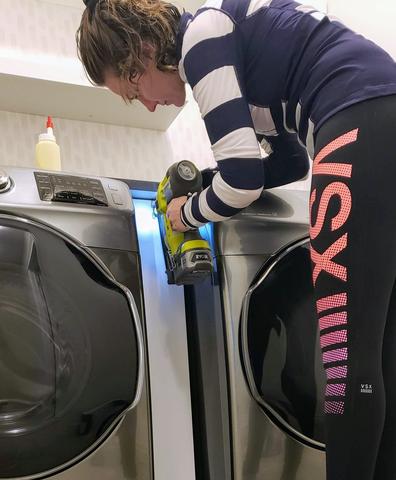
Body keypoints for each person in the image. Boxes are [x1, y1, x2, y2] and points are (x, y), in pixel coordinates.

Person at [76, 0, 396, 478]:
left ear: (142, 50)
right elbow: (290, 164)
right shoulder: (240, 55)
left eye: (133, 86)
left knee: (343, 356)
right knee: (380, 350)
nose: (145, 103)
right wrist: (211, 183)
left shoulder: (201, 38)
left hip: (354, 122)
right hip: (379, 118)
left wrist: (186, 212)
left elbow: (242, 178)